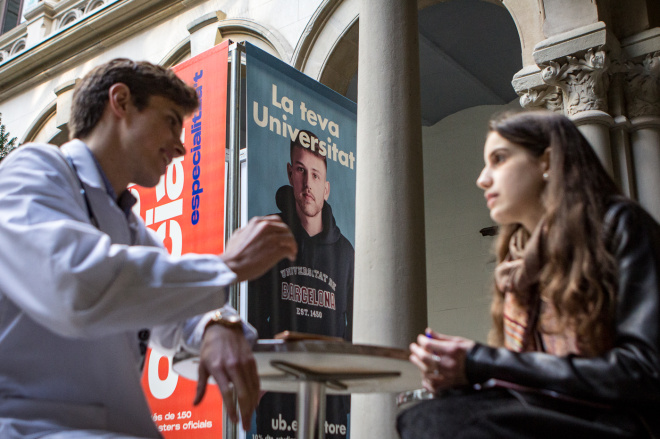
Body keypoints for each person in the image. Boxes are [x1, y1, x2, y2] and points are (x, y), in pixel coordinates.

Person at [0, 58, 297, 438]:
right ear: (120, 102)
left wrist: (219, 323)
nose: (180, 148)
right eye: (172, 121)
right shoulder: (33, 168)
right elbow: (75, 283)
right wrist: (228, 264)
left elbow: (176, 312)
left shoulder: (132, 228)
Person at [397, 110, 660, 439]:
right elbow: (529, 375)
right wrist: (461, 373)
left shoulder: (619, 224)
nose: (482, 178)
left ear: (547, 162)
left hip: (621, 419)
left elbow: (644, 371)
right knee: (421, 412)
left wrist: (481, 361)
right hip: (554, 410)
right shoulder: (515, 263)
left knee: (442, 422)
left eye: (499, 159)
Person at [248, 129, 354, 438]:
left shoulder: (346, 252)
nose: (308, 184)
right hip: (276, 394)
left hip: (329, 400)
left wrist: (345, 396)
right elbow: (252, 314)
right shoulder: (269, 236)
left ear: (327, 188)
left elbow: (353, 327)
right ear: (289, 173)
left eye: (316, 176)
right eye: (300, 170)